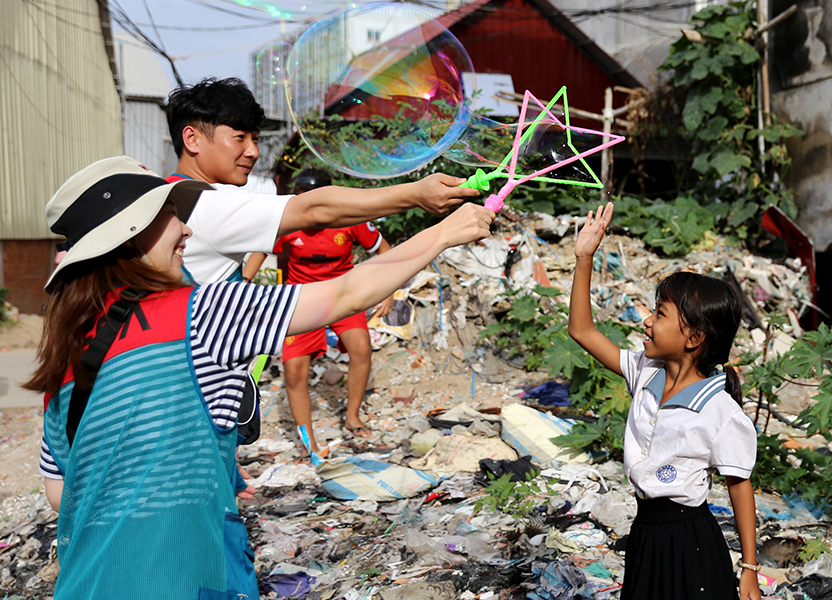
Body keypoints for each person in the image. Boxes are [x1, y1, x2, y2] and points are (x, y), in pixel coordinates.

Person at [26, 156, 494, 599]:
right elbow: (346, 294)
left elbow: (61, 492)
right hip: (177, 580)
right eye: (169, 215)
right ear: (129, 236)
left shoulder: (66, 358)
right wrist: (443, 233)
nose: (186, 228)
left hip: (85, 583)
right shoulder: (203, 312)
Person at [567, 202, 762, 600]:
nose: (647, 321)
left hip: (690, 541)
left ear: (694, 337)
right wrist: (584, 257)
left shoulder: (719, 410)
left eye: (659, 314)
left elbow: (739, 486)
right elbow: (582, 331)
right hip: (645, 534)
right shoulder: (645, 371)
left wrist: (749, 570)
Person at [164, 77, 480, 285]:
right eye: (240, 138)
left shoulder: (170, 197)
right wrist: (417, 194)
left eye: (256, 139)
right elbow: (314, 209)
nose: (254, 152)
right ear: (192, 139)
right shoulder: (209, 205)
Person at [241, 169, 391, 456]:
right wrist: (245, 282)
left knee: (361, 347)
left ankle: (352, 416)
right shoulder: (289, 223)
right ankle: (309, 443)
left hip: (343, 294)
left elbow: (384, 250)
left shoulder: (350, 219)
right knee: (294, 370)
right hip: (301, 299)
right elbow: (260, 251)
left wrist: (389, 292)